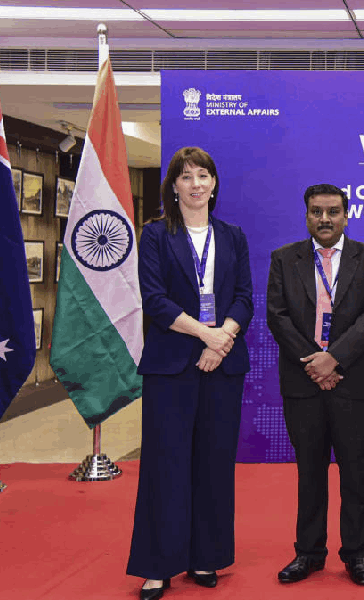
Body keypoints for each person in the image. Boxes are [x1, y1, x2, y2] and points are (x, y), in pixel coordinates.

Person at [127, 147, 253, 600]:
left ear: (214, 184)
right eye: (187, 177)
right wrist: (207, 335)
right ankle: (157, 566)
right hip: (171, 365)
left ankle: (207, 557)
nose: (196, 184)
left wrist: (223, 339)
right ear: (174, 187)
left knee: (214, 464)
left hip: (222, 367)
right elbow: (154, 300)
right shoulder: (157, 235)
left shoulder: (233, 236)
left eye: (204, 175)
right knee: (165, 464)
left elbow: (244, 297)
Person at [267, 183, 364, 587]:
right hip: (303, 383)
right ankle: (308, 552)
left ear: (346, 215)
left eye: (333, 211)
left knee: (355, 473)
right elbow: (277, 316)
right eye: (316, 211)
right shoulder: (284, 259)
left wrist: (333, 359)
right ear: (306, 216)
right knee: (309, 472)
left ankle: (357, 554)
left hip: (352, 381)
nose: (324, 218)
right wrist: (314, 364)